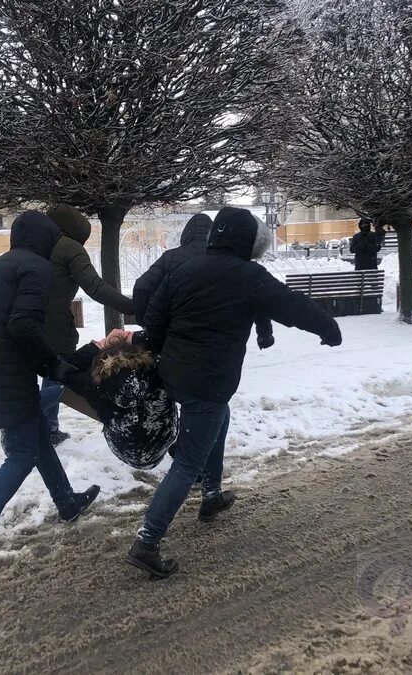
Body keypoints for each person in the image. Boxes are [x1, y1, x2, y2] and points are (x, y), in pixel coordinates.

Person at [126, 206, 343, 579]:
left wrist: (160, 351)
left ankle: (212, 495)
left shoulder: (184, 269)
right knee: (186, 463)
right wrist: (328, 328)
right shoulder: (248, 276)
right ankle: (147, 542)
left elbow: (156, 318)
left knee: (219, 417)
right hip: (207, 382)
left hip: (175, 372)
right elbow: (292, 306)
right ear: (246, 241)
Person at [0, 211, 99, 580]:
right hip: (6, 369)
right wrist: (53, 365)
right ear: (44, 239)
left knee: (38, 434)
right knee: (22, 452)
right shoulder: (37, 269)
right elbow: (23, 324)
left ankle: (67, 502)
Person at [41, 204, 136, 446]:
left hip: (25, 323)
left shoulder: (37, 243)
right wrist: (133, 308)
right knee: (58, 376)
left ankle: (35, 428)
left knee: (33, 378)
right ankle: (45, 429)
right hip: (54, 327)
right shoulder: (69, 248)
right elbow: (96, 287)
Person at [133, 213, 275, 350]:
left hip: (177, 336)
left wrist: (147, 326)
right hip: (219, 340)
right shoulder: (225, 261)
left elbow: (142, 288)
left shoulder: (170, 257)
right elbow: (256, 294)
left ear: (185, 234)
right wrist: (265, 333)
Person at [61, 329, 178, 470]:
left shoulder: (94, 383)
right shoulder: (155, 367)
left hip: (123, 449)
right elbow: (176, 338)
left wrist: (100, 345)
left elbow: (62, 368)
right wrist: (135, 337)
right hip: (162, 440)